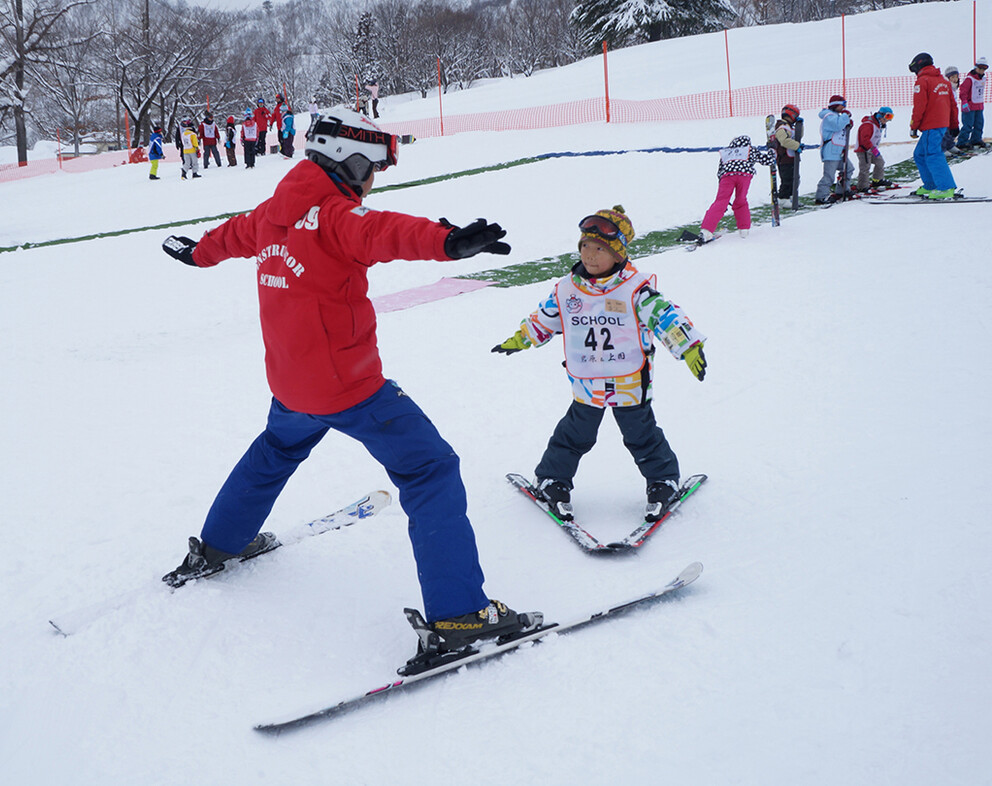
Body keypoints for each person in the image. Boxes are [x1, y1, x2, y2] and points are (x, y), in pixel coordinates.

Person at [159, 107, 534, 652]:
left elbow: (233, 236)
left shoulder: (272, 214)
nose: (373, 182)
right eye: (373, 169)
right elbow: (383, 232)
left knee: (275, 451)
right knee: (430, 468)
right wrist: (447, 243)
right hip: (349, 388)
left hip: (290, 384)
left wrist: (198, 253)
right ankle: (461, 615)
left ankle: (220, 545)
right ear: (351, 162)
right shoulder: (336, 217)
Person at [491, 206, 706, 524]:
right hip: (588, 379)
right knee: (575, 433)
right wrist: (521, 338)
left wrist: (689, 346)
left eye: (600, 249)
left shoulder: (635, 290)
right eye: (585, 246)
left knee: (641, 433)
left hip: (629, 379)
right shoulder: (567, 290)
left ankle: (662, 481)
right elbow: (547, 319)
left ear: (618, 253)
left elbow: (664, 315)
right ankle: (553, 480)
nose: (590, 255)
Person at [698, 135, 775, 241]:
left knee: (720, 202)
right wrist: (772, 151)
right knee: (741, 200)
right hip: (744, 175)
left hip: (727, 176)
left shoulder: (727, 152)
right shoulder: (750, 150)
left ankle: (706, 231)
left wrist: (721, 185)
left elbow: (720, 171)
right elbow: (768, 160)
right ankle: (744, 229)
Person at [909, 52, 960, 199]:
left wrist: (914, 125)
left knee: (933, 154)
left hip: (931, 125)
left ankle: (945, 187)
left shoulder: (922, 81)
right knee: (919, 154)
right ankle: (931, 184)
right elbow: (952, 105)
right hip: (940, 125)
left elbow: (919, 106)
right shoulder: (943, 82)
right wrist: (953, 124)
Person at [815, 95, 854, 203]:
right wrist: (845, 116)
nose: (844, 108)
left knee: (848, 169)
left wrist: (848, 123)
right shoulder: (828, 116)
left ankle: (842, 190)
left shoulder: (837, 116)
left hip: (839, 151)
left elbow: (841, 128)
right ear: (836, 105)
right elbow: (837, 126)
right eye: (843, 105)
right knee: (829, 176)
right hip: (831, 152)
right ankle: (821, 196)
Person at [855, 107, 894, 192]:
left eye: (890, 117)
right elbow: (864, 139)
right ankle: (862, 186)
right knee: (865, 167)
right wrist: (872, 148)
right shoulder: (868, 124)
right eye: (887, 117)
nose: (888, 120)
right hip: (864, 150)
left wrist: (873, 149)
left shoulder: (878, 124)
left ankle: (877, 180)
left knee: (880, 162)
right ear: (881, 115)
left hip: (872, 149)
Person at [772, 104, 802, 207]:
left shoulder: (789, 127)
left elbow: (798, 136)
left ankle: (791, 196)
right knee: (787, 179)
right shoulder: (782, 127)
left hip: (792, 157)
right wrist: (797, 146)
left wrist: (800, 126)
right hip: (784, 158)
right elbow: (784, 141)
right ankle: (783, 198)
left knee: (795, 178)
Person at [957, 57, 988, 150]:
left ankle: (976, 139)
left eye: (984, 69)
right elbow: (963, 91)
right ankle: (962, 142)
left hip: (978, 105)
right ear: (976, 68)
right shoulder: (969, 79)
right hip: (969, 106)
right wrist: (965, 102)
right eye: (980, 68)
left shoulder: (983, 79)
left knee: (979, 124)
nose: (982, 71)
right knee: (968, 125)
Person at [943, 66, 962, 155]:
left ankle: (950, 145)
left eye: (956, 77)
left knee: (951, 130)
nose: (955, 79)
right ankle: (943, 147)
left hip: (953, 111)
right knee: (945, 131)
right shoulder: (947, 87)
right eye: (952, 77)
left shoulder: (954, 88)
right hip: (946, 112)